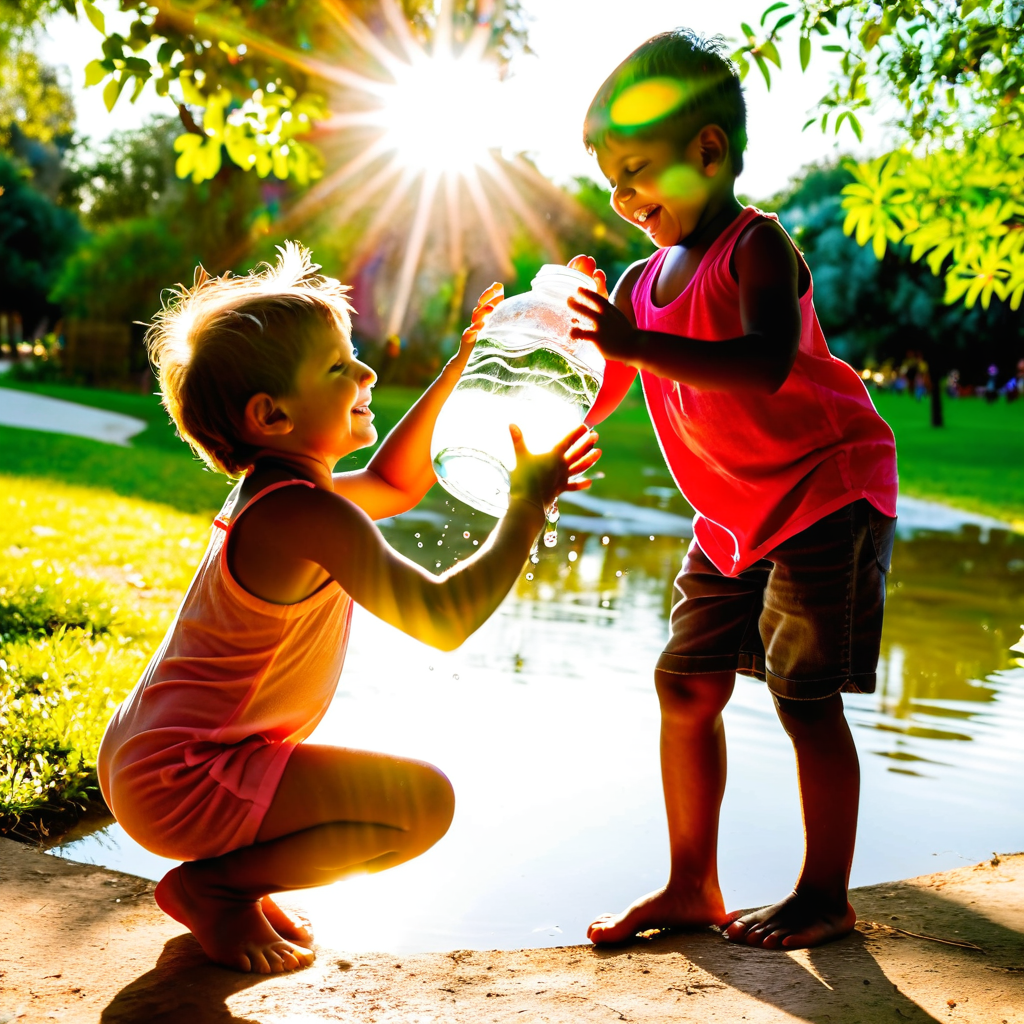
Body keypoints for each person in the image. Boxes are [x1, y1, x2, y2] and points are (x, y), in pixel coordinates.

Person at [96, 243, 600, 974]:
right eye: (338, 368)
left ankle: (236, 879)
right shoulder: (306, 515)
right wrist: (525, 506)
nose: (366, 373)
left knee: (389, 795)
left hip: (154, 758)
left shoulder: (287, 501)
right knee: (420, 806)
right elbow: (444, 618)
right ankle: (219, 888)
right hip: (184, 777)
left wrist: (465, 367)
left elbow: (398, 484)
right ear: (271, 415)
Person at [565, 29, 898, 951]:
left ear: (708, 151)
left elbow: (760, 365)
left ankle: (825, 894)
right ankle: (690, 883)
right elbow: (604, 390)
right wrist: (556, 334)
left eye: (639, 171)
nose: (626, 199)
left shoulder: (758, 246)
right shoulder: (639, 280)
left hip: (825, 491)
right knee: (685, 686)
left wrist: (631, 342)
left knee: (803, 695)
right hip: (731, 516)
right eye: (613, 183)